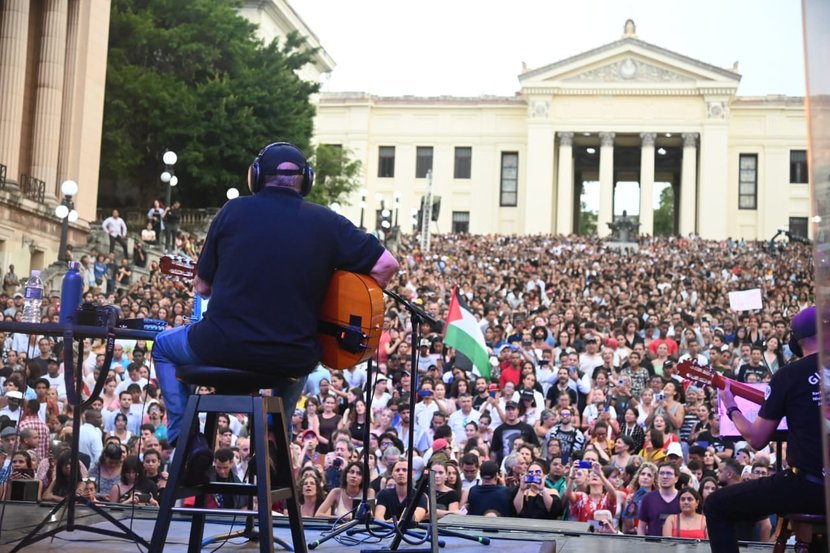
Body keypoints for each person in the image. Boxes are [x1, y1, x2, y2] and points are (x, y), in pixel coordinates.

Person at [152, 143, 398, 468]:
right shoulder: (327, 221)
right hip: (291, 354)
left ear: (255, 176)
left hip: (222, 345)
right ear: (306, 179)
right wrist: (332, 299)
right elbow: (387, 265)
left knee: (162, 346)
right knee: (300, 361)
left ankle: (187, 442)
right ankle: (273, 440)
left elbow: (203, 286)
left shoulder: (233, 211)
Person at [704, 306, 826, 553]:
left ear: (794, 341)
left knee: (716, 506)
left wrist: (731, 406)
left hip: (808, 488)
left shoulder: (789, 376)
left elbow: (757, 439)